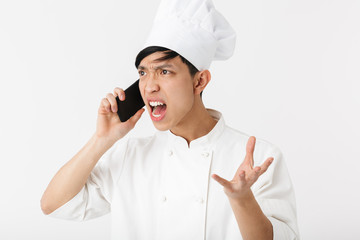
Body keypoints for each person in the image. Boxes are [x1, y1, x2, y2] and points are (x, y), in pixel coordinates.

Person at [41, 0, 299, 239]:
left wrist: (243, 199)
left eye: (164, 71)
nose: (149, 86)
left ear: (200, 81)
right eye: (143, 72)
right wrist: (101, 140)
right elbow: (53, 205)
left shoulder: (258, 159)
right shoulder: (130, 156)